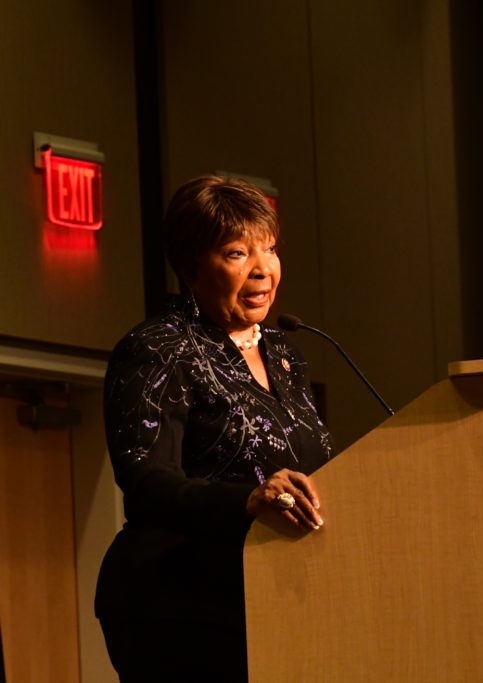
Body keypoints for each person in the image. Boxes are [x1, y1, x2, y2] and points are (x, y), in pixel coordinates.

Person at [96, 176, 336, 681]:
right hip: (179, 604)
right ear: (191, 267)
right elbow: (145, 483)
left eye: (269, 249)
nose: (262, 270)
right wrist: (246, 499)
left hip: (273, 593)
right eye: (236, 253)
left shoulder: (287, 354)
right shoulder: (160, 348)